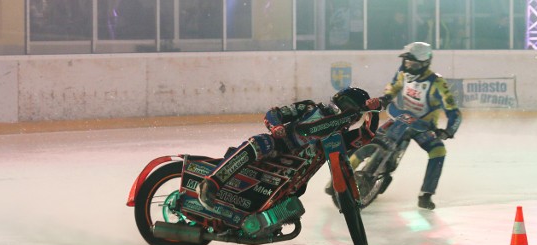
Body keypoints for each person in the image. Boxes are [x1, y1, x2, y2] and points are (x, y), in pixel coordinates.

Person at [197, 87, 378, 209]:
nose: (347, 112)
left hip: (295, 175)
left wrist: (374, 111)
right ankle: (211, 183)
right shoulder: (310, 107)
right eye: (346, 106)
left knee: (297, 193)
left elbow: (367, 135)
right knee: (261, 142)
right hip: (279, 149)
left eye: (352, 110)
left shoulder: (337, 138)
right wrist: (276, 126)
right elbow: (274, 113)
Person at [370, 41, 462, 210]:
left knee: (438, 151)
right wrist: (386, 98)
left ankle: (426, 194)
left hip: (423, 127)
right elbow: (394, 86)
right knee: (371, 139)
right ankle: (341, 176)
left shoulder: (437, 83)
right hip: (401, 118)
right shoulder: (403, 73)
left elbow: (453, 111)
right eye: (406, 62)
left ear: (424, 64)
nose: (408, 67)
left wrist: (449, 131)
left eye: (413, 64)